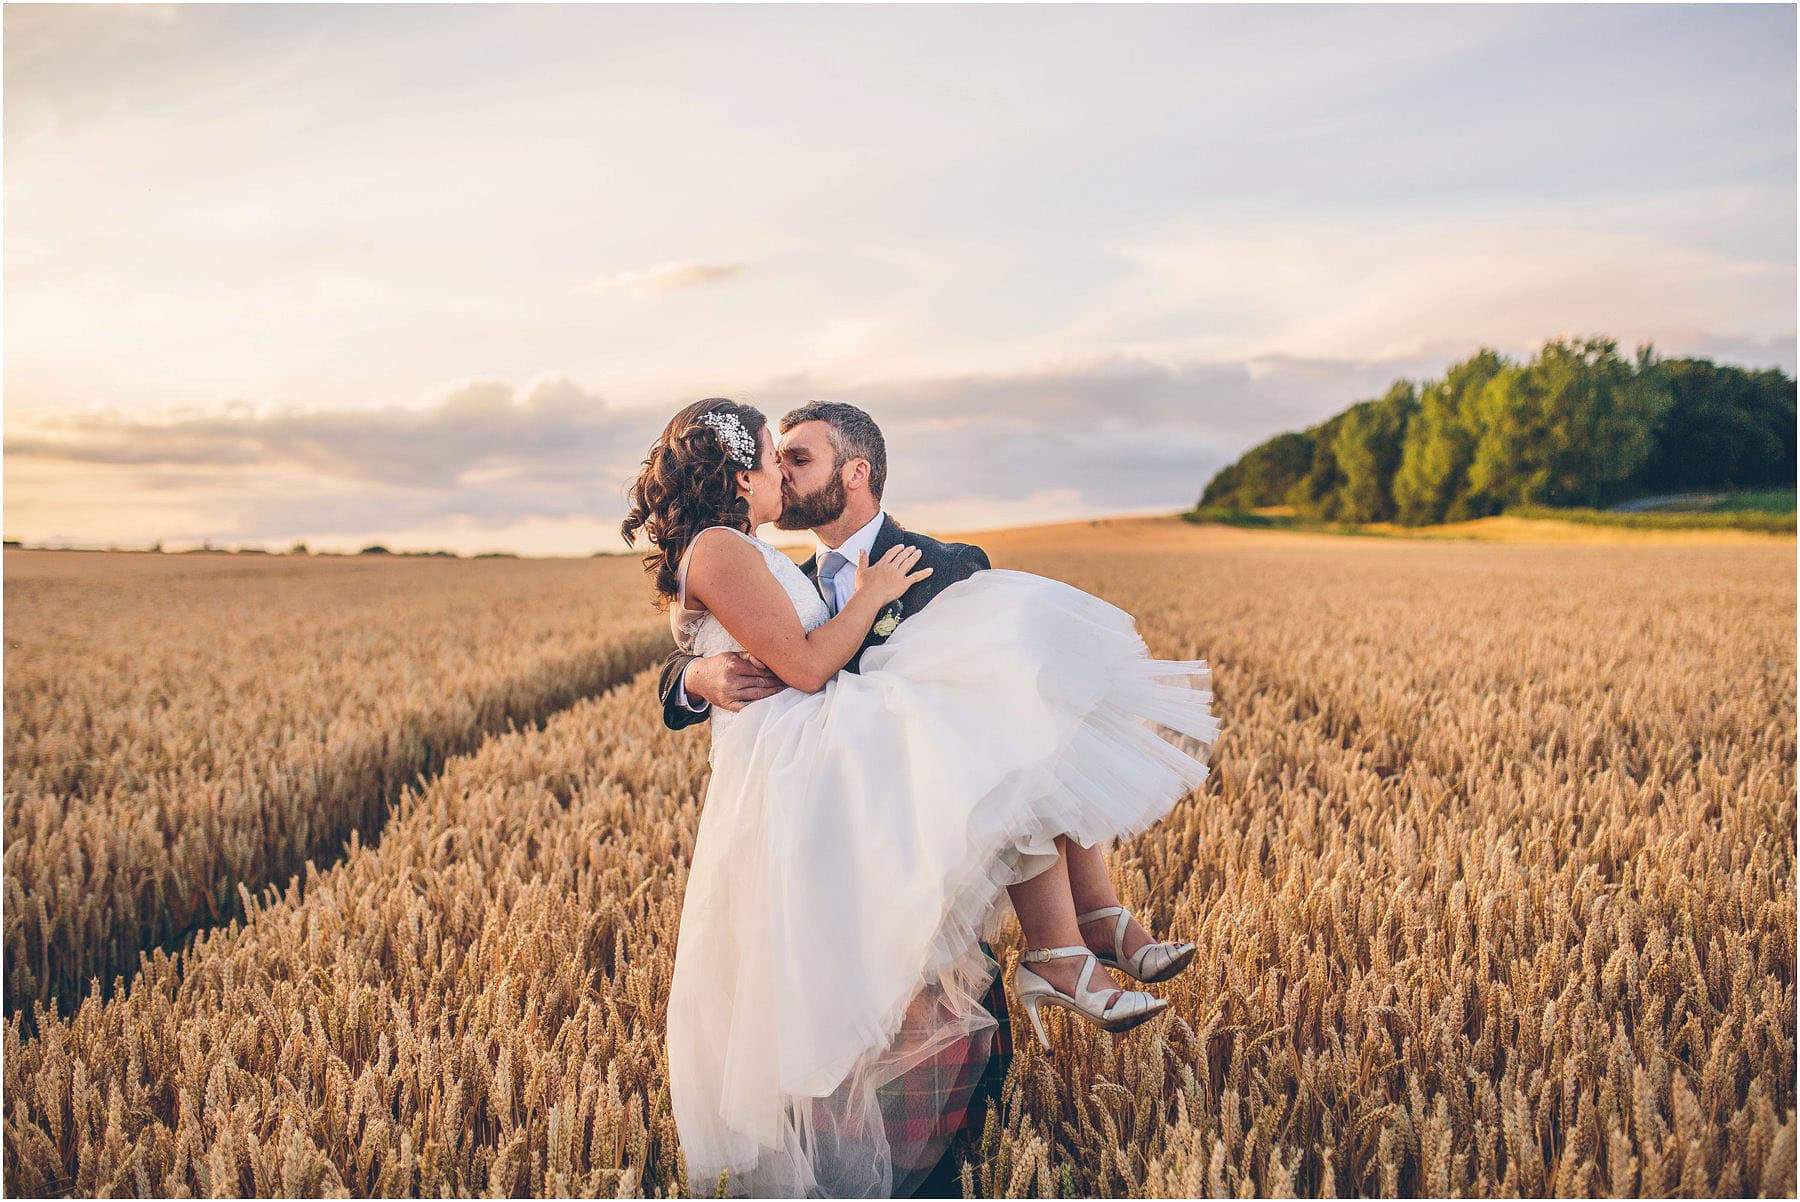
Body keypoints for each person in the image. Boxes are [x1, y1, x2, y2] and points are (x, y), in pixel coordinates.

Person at [623, 398, 1220, 1198]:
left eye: (801, 459)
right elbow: (745, 652)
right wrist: (694, 678)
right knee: (838, 992)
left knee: (1021, 729)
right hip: (825, 791)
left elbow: (1001, 674)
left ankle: (1074, 942)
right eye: (777, 459)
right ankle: (1069, 949)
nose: (785, 475)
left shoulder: (943, 562)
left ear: (856, 473)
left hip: (883, 798)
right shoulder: (764, 565)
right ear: (740, 475)